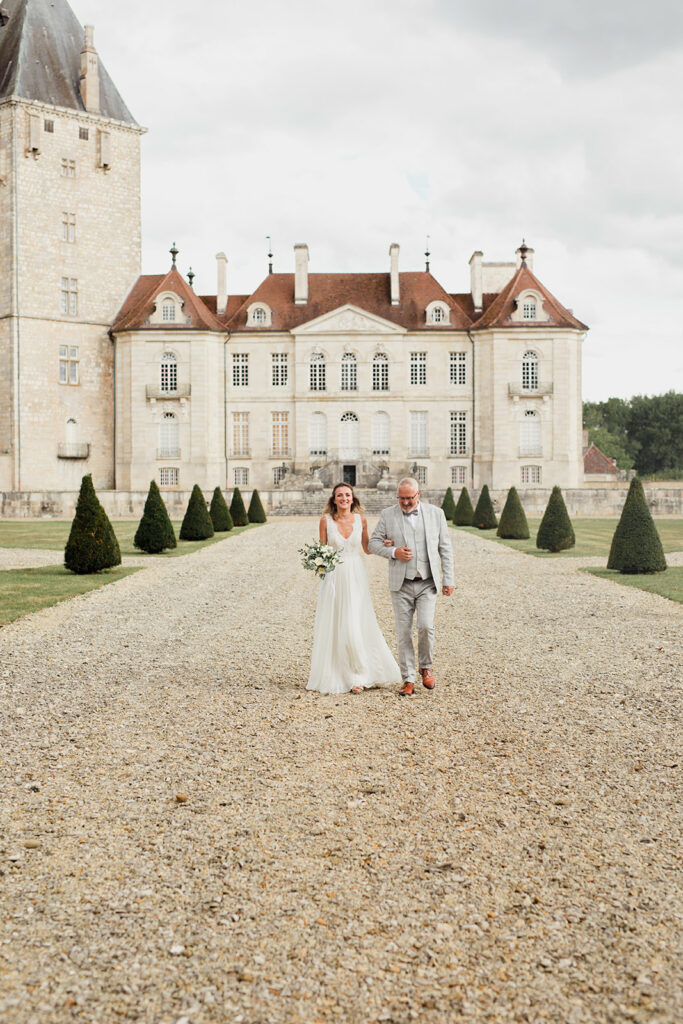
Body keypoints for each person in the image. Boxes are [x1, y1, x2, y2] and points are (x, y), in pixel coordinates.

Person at [306, 483, 401, 695]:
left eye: (347, 495)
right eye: (340, 495)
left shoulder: (361, 520)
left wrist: (387, 545)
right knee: (337, 622)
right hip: (335, 576)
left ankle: (359, 674)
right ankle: (341, 674)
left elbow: (367, 549)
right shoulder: (325, 521)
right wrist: (318, 562)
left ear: (353, 498)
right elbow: (321, 550)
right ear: (333, 499)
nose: (344, 498)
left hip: (356, 575)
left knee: (355, 621)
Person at [368, 478, 454, 696]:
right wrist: (393, 552)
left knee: (426, 626)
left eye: (409, 498)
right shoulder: (388, 514)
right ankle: (408, 679)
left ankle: (425, 667)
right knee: (403, 632)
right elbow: (373, 543)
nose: (405, 503)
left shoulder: (437, 514)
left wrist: (448, 579)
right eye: (401, 498)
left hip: (427, 582)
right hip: (401, 583)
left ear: (419, 494)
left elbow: (445, 549)